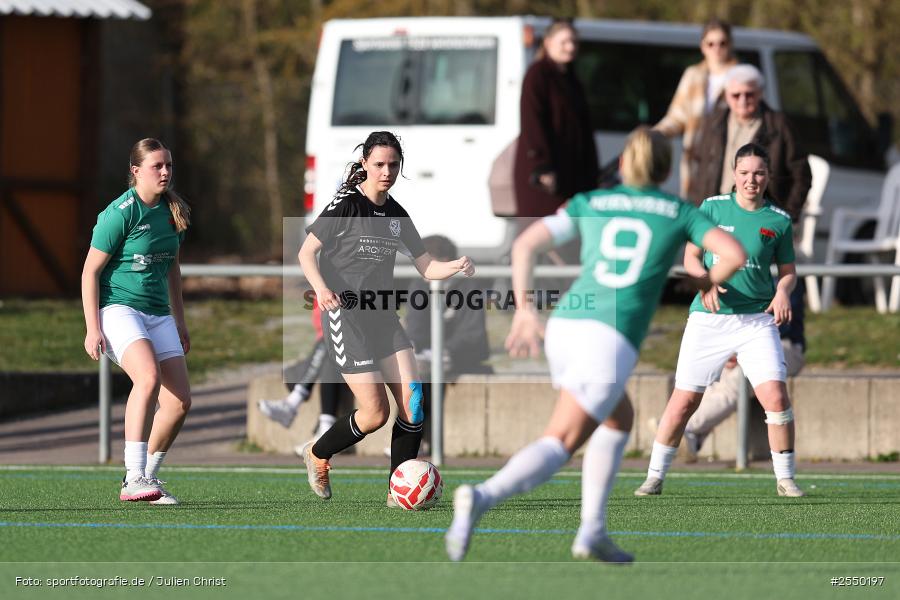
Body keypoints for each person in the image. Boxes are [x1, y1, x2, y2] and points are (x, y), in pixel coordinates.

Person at [445, 127, 746, 563]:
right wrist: (703, 280)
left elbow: (525, 244)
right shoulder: (679, 211)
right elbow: (733, 255)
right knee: (561, 441)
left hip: (567, 325)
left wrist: (527, 310)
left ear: (623, 164)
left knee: (619, 419)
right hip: (608, 339)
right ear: (664, 169)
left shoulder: (591, 201)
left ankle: (592, 531)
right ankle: (481, 496)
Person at [298, 131, 475, 506]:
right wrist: (322, 289)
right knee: (375, 413)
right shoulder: (346, 206)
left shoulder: (396, 213)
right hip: (346, 319)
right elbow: (306, 253)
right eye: (379, 164)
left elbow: (426, 267)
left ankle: (398, 491)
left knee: (413, 404)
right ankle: (317, 452)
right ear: (364, 163)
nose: (386, 171)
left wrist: (456, 266)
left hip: (383, 319)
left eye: (393, 165)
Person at [634, 143, 805, 499]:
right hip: (709, 320)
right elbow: (691, 258)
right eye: (744, 173)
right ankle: (654, 476)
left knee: (775, 395)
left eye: (758, 173)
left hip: (756, 321)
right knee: (683, 401)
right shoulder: (712, 208)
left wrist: (783, 291)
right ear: (734, 174)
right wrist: (704, 281)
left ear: (768, 175)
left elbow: (788, 272)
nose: (751, 180)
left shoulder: (778, 219)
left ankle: (786, 479)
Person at [81, 138, 191, 505]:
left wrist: (180, 319)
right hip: (118, 309)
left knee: (179, 403)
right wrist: (92, 327)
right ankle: (132, 478)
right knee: (148, 378)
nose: (165, 172)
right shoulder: (120, 213)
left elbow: (173, 270)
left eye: (169, 165)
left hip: (158, 313)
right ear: (135, 171)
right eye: (157, 166)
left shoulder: (171, 211)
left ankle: (149, 477)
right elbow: (89, 272)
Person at [681, 282, 806, 460]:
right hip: (743, 341)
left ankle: (685, 429)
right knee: (713, 374)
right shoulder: (736, 268)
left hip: (785, 344)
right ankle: (692, 437)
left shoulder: (781, 270)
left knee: (737, 379)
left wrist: (738, 349)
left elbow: (780, 321)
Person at [402, 234, 493, 453]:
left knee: (426, 370)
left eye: (429, 262)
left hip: (461, 355)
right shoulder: (420, 284)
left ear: (447, 262)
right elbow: (415, 330)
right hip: (427, 355)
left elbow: (473, 336)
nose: (424, 268)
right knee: (414, 368)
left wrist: (445, 352)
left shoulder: (468, 288)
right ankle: (412, 437)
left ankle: (414, 438)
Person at [687, 64, 811, 220]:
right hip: (716, 214)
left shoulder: (780, 126)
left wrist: (787, 216)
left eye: (749, 94)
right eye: (736, 95)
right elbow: (699, 167)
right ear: (726, 95)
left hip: (761, 218)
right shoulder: (713, 123)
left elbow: (802, 175)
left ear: (760, 94)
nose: (742, 100)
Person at [514, 19, 598, 234]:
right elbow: (532, 121)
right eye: (564, 42)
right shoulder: (538, 74)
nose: (570, 47)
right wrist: (542, 166)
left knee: (569, 235)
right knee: (542, 232)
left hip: (571, 173)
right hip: (546, 177)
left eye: (574, 42)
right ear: (549, 42)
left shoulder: (571, 78)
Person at [655, 18, 738, 196]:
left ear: (730, 45)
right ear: (703, 46)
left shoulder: (741, 76)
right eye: (711, 43)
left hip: (729, 161)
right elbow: (677, 117)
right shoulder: (693, 75)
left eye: (722, 43)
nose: (716, 48)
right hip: (696, 160)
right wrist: (655, 134)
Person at [257, 299, 349, 443]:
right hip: (331, 348)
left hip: (362, 347)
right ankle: (324, 431)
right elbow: (322, 325)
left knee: (333, 340)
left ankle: (294, 403)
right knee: (331, 349)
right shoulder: (325, 283)